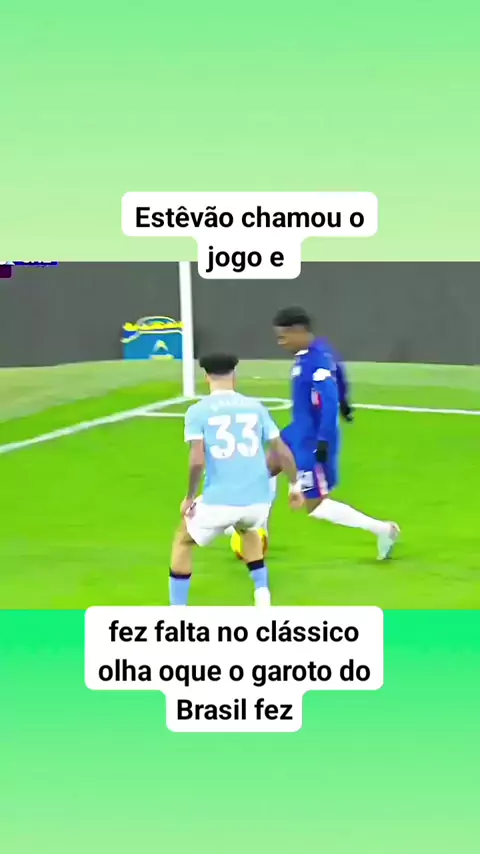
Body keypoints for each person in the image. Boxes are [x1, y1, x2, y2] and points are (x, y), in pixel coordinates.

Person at [169, 352, 303, 606]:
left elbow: (197, 460)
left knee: (182, 540)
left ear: (206, 377)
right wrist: (295, 486)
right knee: (248, 529)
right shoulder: (256, 407)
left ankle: (177, 612)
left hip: (220, 501)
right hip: (259, 501)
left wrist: (189, 498)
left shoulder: (197, 412)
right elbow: (282, 451)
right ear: (234, 375)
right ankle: (262, 595)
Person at [269, 306, 400, 560]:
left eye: (283, 337)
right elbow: (339, 371)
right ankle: (251, 531)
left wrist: (323, 441)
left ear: (299, 331)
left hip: (312, 441)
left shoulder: (316, 363)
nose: (280, 343)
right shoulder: (320, 350)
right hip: (297, 431)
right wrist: (346, 402)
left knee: (315, 505)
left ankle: (384, 530)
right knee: (266, 466)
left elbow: (327, 402)